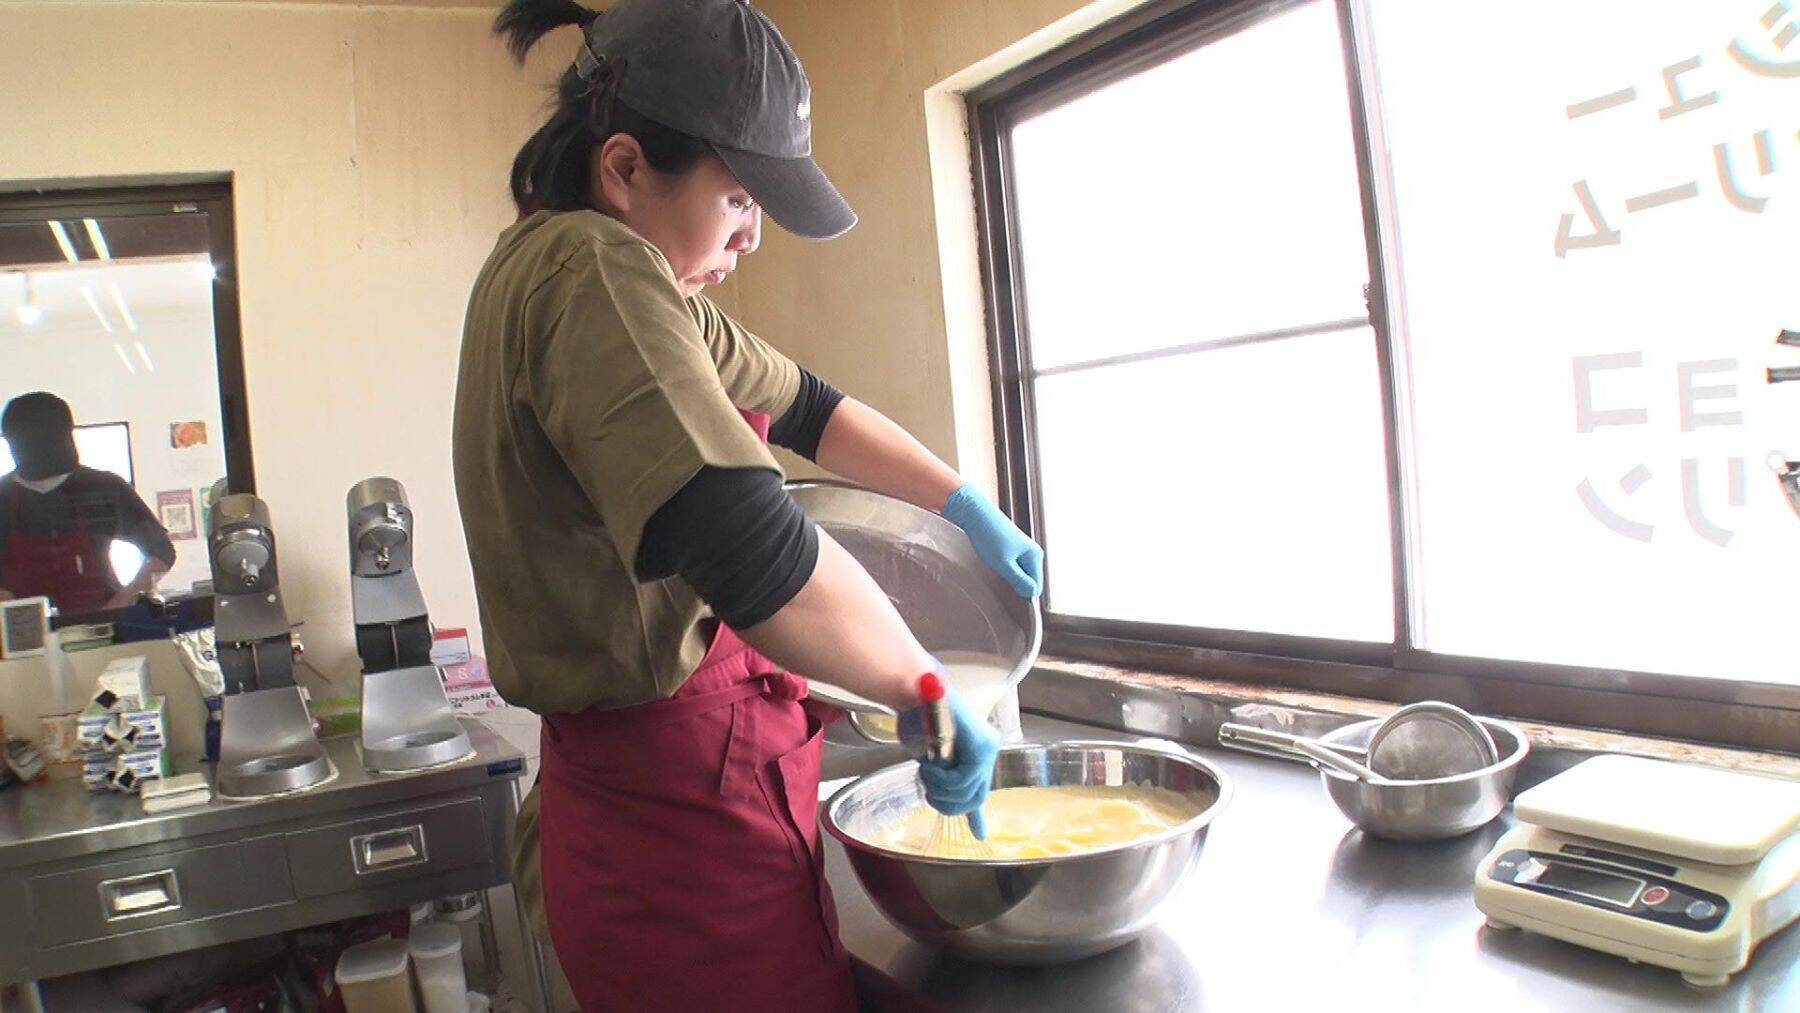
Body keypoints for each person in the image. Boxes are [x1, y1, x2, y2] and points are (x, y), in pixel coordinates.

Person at [453, 2, 1044, 1009]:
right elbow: (749, 545)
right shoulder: (594, 271)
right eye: (735, 201)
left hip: (670, 804)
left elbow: (806, 403)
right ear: (627, 168)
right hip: (676, 843)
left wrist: (959, 499)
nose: (753, 235)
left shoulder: (624, 282)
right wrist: (925, 689)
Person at [0, 392, 174, 614]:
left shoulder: (102, 488)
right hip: (25, 634)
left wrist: (122, 602)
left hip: (104, 623)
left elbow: (161, 551)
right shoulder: (3, 498)